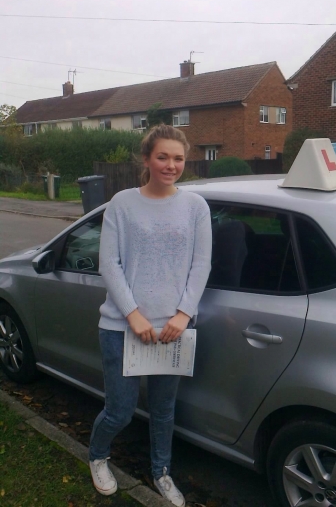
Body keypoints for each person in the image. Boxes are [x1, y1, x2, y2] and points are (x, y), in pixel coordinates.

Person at [89, 124, 212, 507]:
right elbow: (109, 263)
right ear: (147, 159)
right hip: (122, 327)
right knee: (120, 411)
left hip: (174, 329)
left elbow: (201, 263)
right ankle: (97, 455)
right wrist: (133, 315)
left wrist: (183, 313)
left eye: (178, 158)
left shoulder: (195, 207)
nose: (171, 165)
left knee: (163, 411)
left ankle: (161, 472)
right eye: (163, 156)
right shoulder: (122, 204)